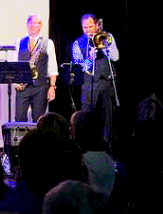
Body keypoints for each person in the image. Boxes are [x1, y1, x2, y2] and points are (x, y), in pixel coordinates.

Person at [70, 14, 120, 151]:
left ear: (96, 25)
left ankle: (107, 150)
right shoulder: (77, 43)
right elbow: (81, 67)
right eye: (85, 27)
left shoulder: (107, 37)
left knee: (107, 120)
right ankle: (86, 150)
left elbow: (115, 57)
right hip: (88, 84)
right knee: (86, 119)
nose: (88, 30)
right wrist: (90, 58)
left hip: (106, 82)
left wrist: (104, 47)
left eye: (90, 26)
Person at [15, 14, 59, 123]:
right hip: (23, 86)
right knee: (19, 118)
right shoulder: (19, 42)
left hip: (40, 87)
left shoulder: (48, 43)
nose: (33, 26)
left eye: (36, 23)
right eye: (31, 23)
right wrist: (16, 81)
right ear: (27, 25)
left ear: (41, 25)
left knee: (39, 119)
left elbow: (52, 66)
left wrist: (52, 87)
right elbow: (14, 63)